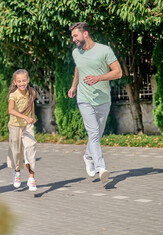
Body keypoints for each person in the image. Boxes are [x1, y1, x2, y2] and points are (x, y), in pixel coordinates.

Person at [68, 22, 122, 183]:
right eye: (72, 37)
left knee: (97, 135)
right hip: (84, 99)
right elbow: (78, 68)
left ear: (85, 34)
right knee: (93, 133)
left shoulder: (104, 50)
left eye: (75, 35)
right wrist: (74, 86)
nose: (74, 39)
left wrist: (98, 78)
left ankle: (87, 156)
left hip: (103, 100)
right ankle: (101, 168)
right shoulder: (76, 53)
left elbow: (118, 72)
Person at [7, 69, 37, 191]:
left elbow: (32, 104)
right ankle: (17, 172)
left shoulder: (31, 92)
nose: (22, 83)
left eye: (24, 80)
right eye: (19, 81)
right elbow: (11, 110)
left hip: (27, 126)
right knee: (17, 151)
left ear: (28, 80)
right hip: (15, 125)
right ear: (15, 82)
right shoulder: (13, 95)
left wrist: (33, 116)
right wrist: (25, 116)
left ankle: (31, 177)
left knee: (31, 148)